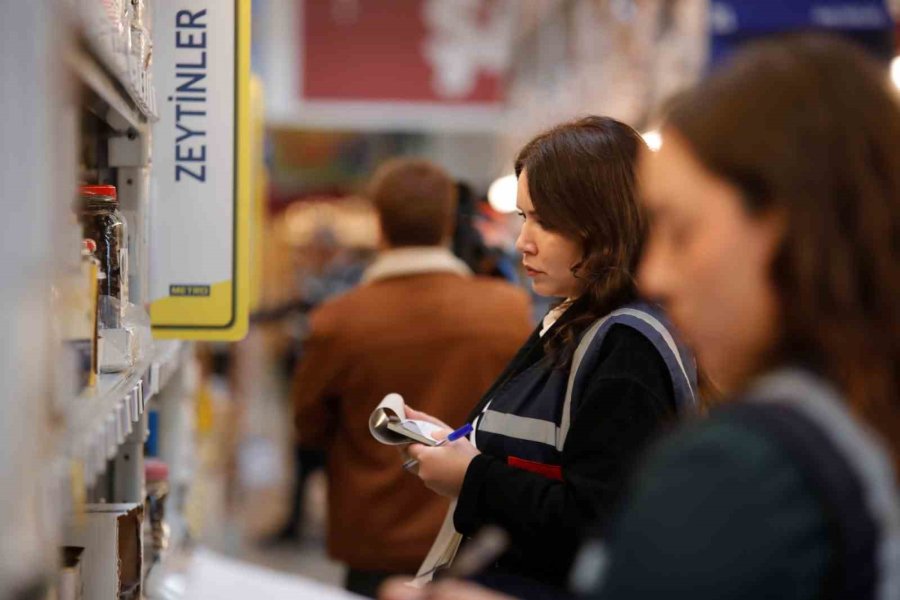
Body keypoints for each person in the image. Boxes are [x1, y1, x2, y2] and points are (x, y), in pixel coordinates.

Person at [382, 34, 900, 600]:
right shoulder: (832, 433)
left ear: (787, 233)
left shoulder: (762, 459)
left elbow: (598, 525)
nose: (657, 276)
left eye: (682, 231)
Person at [398, 117, 698, 588]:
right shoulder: (575, 320)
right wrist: (460, 443)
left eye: (547, 222)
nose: (523, 242)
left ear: (605, 223)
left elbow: (598, 521)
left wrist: (472, 477)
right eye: (523, 217)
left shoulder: (628, 346)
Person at [292, 158, 532, 598]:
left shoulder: (337, 321)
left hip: (373, 541)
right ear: (448, 222)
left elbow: (309, 427)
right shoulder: (509, 310)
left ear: (379, 223)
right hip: (478, 536)